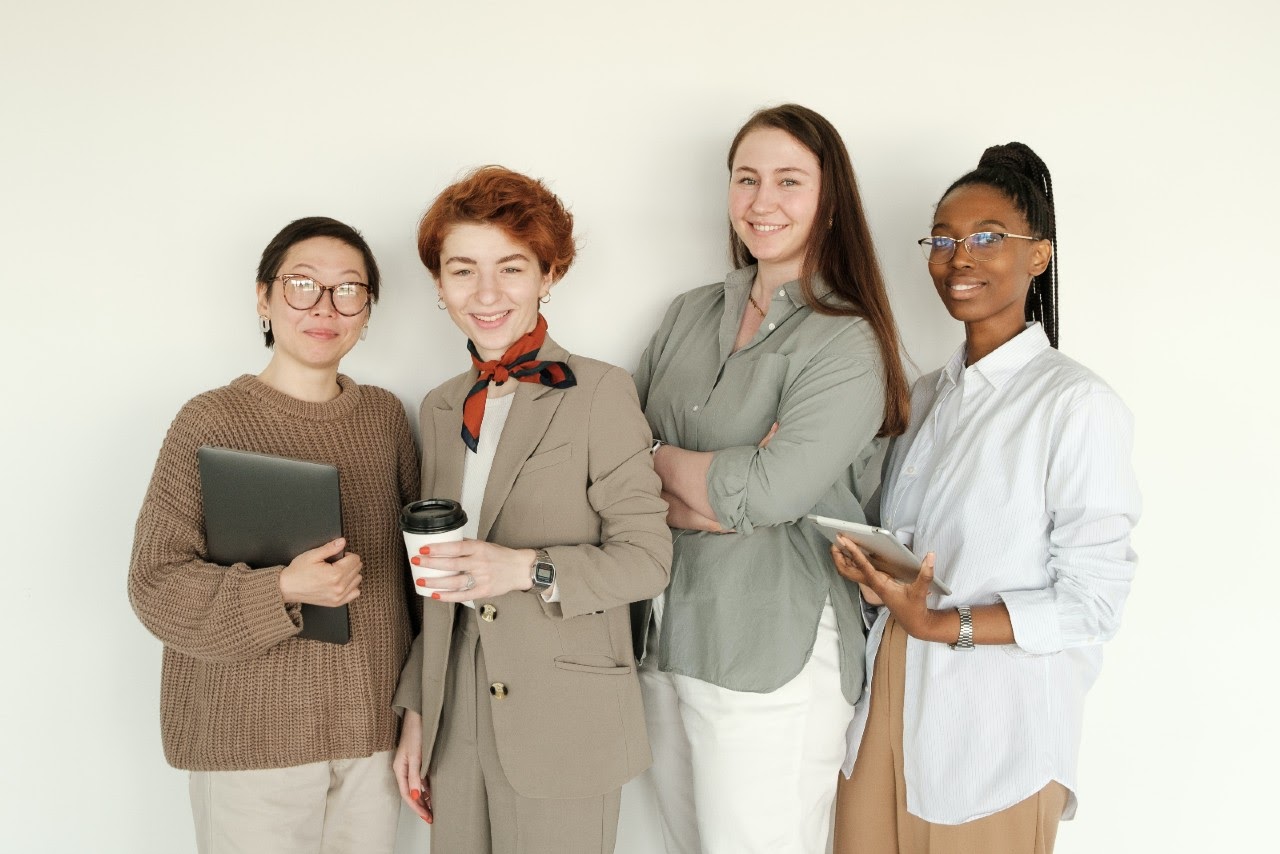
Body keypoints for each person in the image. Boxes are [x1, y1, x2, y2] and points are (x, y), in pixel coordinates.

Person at [830, 143, 1141, 854]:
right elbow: (921, 558)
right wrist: (878, 576)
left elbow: (1094, 602)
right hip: (888, 701)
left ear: (1039, 257)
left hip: (997, 729)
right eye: (942, 239)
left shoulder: (1076, 405)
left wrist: (946, 626)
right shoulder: (928, 397)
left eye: (986, 238)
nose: (957, 257)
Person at [632, 104, 911, 854]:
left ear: (829, 199)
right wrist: (719, 484)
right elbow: (619, 472)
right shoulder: (689, 314)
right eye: (746, 179)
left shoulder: (847, 341)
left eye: (789, 181)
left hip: (772, 652)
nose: (763, 201)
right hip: (667, 637)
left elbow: (772, 495)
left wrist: (680, 470)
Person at [391, 166, 672, 854]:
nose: (486, 294)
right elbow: (433, 584)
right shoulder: (438, 407)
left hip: (566, 722)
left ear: (549, 274)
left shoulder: (601, 392)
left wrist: (525, 569)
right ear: (438, 284)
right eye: (463, 270)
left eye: (511, 268)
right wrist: (418, 711)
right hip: (456, 723)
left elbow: (647, 561)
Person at [128, 217, 420, 854]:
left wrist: (419, 710)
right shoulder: (210, 419)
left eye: (349, 290)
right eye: (301, 285)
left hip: (371, 736)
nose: (324, 306)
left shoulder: (384, 419)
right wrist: (284, 588)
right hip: (250, 739)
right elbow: (155, 584)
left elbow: (418, 586)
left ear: (367, 310)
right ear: (264, 298)